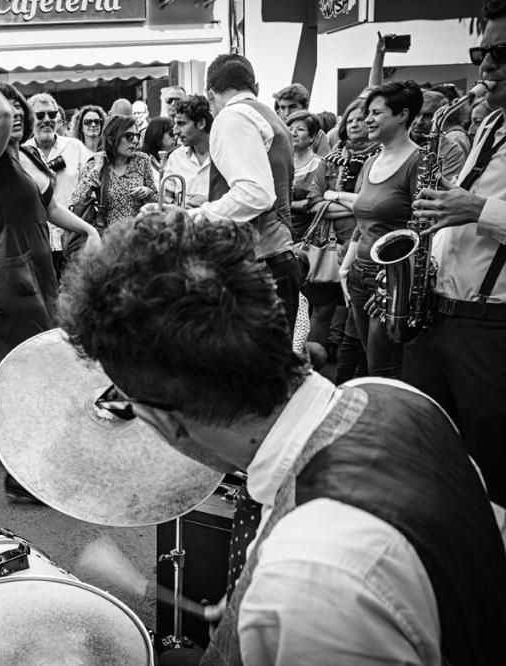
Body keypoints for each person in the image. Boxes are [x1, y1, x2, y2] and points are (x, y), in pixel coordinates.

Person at [58, 209, 506, 666]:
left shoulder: (308, 579)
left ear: (162, 420)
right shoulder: (394, 397)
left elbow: (327, 578)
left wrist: (286, 609)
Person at [0, 59, 101, 501]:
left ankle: (19, 456)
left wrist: (89, 229)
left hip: (38, 273)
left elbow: (48, 209)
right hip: (12, 276)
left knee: (29, 375)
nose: (14, 113)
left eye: (19, 107)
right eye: (7, 108)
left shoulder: (28, 155)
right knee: (35, 377)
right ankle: (21, 476)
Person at [407, 0, 506, 507]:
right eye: (481, 52)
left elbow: (482, 208)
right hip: (441, 315)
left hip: (491, 330)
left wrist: (477, 208)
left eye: (500, 54)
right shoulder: (491, 125)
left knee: (492, 477)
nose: (485, 68)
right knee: (432, 464)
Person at [190, 54, 302, 329]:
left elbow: (255, 194)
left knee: (249, 368)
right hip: (276, 259)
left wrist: (195, 217)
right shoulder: (269, 116)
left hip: (256, 264)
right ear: (256, 88)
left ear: (210, 93)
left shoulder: (232, 116)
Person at [336, 80, 423, 379]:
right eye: (366, 113)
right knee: (369, 360)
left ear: (402, 115)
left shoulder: (418, 161)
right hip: (361, 274)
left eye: (376, 113)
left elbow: (425, 230)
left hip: (390, 281)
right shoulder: (372, 160)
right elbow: (362, 221)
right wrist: (346, 269)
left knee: (382, 368)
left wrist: (398, 288)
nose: (367, 120)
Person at [314, 98, 379, 363]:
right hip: (329, 243)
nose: (354, 124)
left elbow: (373, 205)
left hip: (363, 245)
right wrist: (353, 204)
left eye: (361, 119)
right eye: (349, 120)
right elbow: (315, 203)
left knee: (358, 317)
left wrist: (336, 196)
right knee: (323, 309)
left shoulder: (379, 159)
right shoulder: (329, 161)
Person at [24, 92, 93, 276]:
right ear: (30, 119)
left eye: (52, 114)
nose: (47, 119)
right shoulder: (23, 153)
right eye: (40, 115)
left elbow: (92, 186)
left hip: (72, 239)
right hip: (37, 242)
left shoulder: (75, 148)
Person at [70, 114, 157, 235]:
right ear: (111, 139)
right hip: (108, 237)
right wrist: (97, 169)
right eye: (129, 136)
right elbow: (77, 200)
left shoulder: (142, 160)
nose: (136, 141)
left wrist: (147, 191)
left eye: (137, 136)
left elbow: (156, 200)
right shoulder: (97, 163)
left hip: (139, 235)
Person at [162, 95, 213, 208]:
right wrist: (178, 205)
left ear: (201, 123)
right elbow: (166, 196)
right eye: (175, 124)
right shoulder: (176, 157)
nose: (175, 131)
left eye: (181, 124)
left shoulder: (222, 155)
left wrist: (210, 200)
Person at [285, 111, 327, 240]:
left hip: (307, 235)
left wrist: (287, 204)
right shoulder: (279, 160)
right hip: (279, 232)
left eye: (300, 129)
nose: (293, 133)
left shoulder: (320, 164)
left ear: (312, 136)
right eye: (290, 129)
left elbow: (317, 202)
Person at [410, 90, 468, 180]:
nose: (419, 122)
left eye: (428, 116)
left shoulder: (453, 140)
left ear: (441, 117)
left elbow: (441, 186)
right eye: (416, 115)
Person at [273, 83, 332, 156]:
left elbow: (324, 165)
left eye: (292, 107)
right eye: (282, 107)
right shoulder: (273, 132)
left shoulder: (318, 136)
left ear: (306, 106)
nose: (287, 112)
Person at [140, 117, 176, 188]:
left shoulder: (178, 159)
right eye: (171, 133)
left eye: (176, 132)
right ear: (157, 134)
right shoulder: (141, 162)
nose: (175, 136)